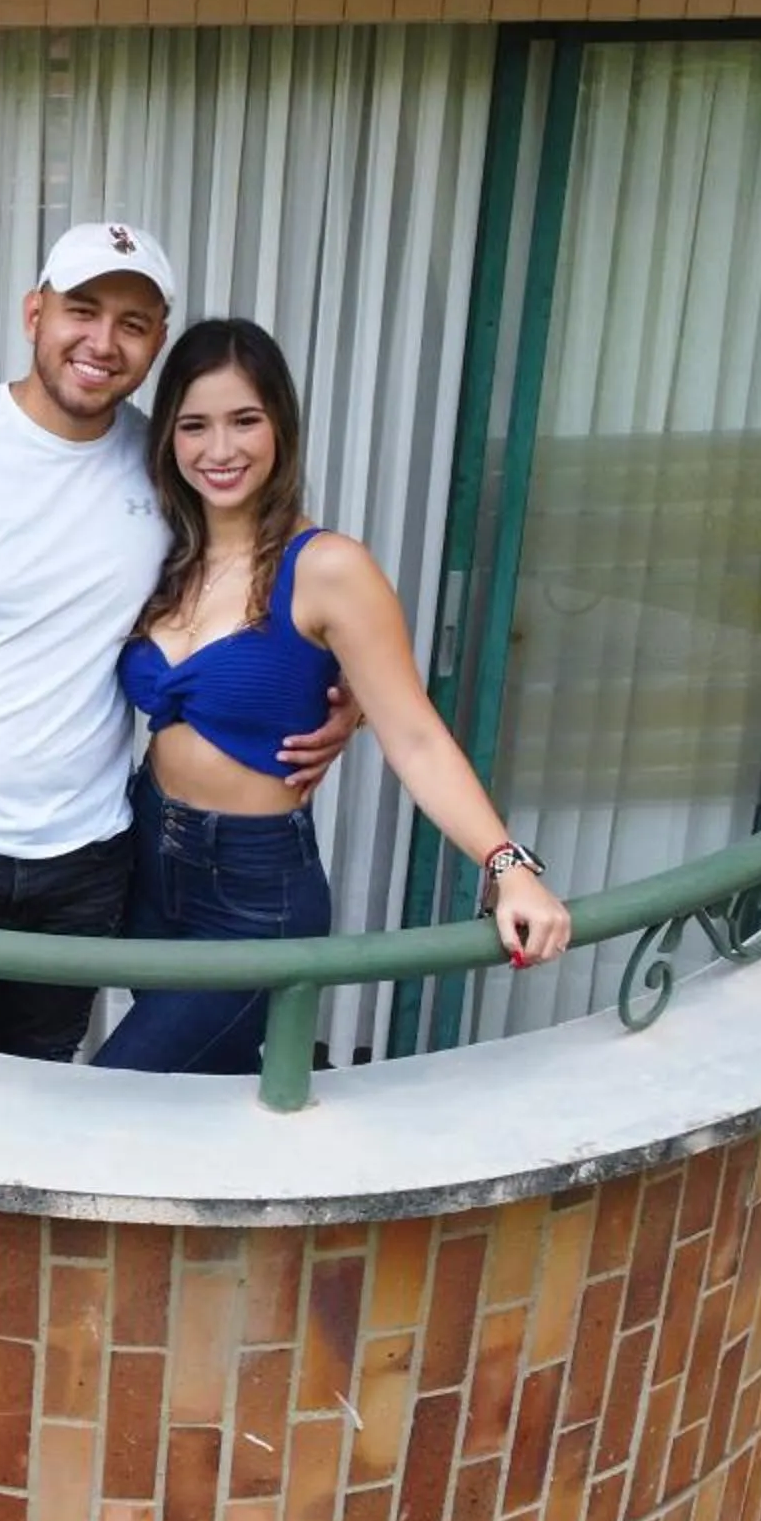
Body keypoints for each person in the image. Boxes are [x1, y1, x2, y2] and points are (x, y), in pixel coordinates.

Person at [0, 224, 354, 1060]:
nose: (103, 342)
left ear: (157, 344)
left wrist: (342, 688)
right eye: (83, 310)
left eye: (133, 323)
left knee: (46, 1097)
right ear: (35, 313)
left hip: (91, 855)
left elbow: (265, 580)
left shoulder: (168, 467)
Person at [93, 317, 571, 1075]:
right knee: (199, 1097)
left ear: (281, 424)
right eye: (195, 426)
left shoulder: (329, 568)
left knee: (114, 1091)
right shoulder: (164, 553)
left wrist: (506, 863)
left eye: (245, 421)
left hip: (252, 895)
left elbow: (413, 734)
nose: (220, 451)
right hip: (148, 860)